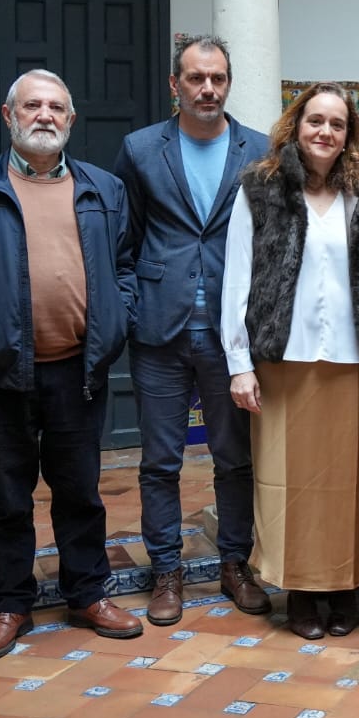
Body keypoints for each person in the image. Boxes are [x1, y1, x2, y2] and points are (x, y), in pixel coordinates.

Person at [0, 69, 142, 661]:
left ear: (71, 119)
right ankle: (10, 603)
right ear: (8, 115)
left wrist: (118, 315)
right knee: (6, 497)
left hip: (78, 370)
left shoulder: (104, 189)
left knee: (80, 492)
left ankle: (87, 593)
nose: (45, 116)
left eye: (56, 107)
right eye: (32, 105)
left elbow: (127, 266)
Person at [221, 82, 359, 640]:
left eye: (337, 124)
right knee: (288, 480)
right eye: (315, 120)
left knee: (355, 480)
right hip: (285, 357)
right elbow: (237, 276)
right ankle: (300, 591)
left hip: (356, 358)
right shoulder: (260, 188)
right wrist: (239, 362)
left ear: (350, 135)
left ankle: (346, 585)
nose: (325, 132)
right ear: (295, 126)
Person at [113, 35, 271, 627]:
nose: (208, 89)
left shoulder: (259, 149)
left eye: (218, 78)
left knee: (235, 458)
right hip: (160, 331)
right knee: (160, 462)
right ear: (174, 83)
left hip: (233, 336)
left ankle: (235, 564)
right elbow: (124, 239)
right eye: (196, 78)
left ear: (229, 83)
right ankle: (166, 572)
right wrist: (132, 308)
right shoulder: (139, 148)